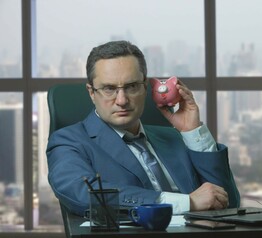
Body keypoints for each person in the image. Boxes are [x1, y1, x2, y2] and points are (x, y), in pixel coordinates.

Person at [46, 40, 240, 216]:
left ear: (145, 87)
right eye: (109, 89)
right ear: (91, 93)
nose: (121, 100)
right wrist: (187, 202)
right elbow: (82, 194)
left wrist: (192, 131)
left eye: (131, 87)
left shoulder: (176, 138)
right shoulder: (68, 142)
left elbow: (227, 202)